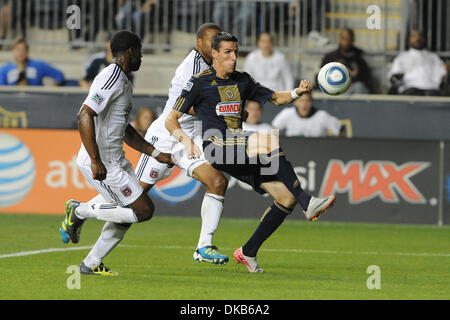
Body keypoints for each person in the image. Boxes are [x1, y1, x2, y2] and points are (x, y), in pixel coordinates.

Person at [166, 32, 336, 273]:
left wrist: (298, 92)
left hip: (237, 148)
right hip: (216, 147)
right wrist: (184, 139)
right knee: (267, 141)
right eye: (227, 52)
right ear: (214, 54)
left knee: (286, 198)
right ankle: (307, 202)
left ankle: (248, 251)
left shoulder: (243, 80)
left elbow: (276, 98)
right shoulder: (199, 82)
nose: (234, 57)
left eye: (236, 52)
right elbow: (171, 119)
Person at [85, 23, 230, 268]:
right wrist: (226, 110)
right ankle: (81, 214)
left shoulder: (217, 65)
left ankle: (204, 246)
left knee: (218, 181)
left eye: (220, 39)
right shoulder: (193, 67)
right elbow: (188, 106)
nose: (217, 44)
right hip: (166, 136)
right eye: (212, 40)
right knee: (133, 206)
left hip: (189, 139)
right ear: (199, 44)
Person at [60, 31, 173, 276]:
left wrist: (155, 153)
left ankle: (90, 264)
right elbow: (84, 114)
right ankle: (78, 210)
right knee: (143, 210)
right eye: (140, 51)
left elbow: (124, 130)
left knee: (125, 214)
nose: (142, 57)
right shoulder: (111, 77)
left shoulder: (123, 81)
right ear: (130, 51)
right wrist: (94, 159)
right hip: (104, 164)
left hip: (116, 161)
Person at [388, 30, 447, 96]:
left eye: (420, 36)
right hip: (409, 88)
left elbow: (443, 74)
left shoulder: (433, 57)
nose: (417, 39)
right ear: (409, 39)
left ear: (424, 39)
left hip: (431, 89)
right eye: (414, 36)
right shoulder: (402, 57)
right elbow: (394, 76)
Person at [320, 28, 373, 94]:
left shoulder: (359, 59)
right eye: (343, 38)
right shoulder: (330, 58)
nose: (345, 42)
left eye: (348, 39)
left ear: (352, 40)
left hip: (352, 90)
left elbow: (366, 80)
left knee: (359, 86)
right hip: (335, 89)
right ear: (339, 39)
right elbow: (321, 76)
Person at [272, 92, 345, 137]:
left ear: (311, 102)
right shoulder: (287, 114)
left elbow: (340, 129)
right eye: (301, 101)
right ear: (295, 102)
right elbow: (274, 128)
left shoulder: (321, 116)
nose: (304, 104)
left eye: (307, 101)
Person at [0, 37, 65, 86]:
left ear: (27, 51)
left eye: (23, 49)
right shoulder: (4, 69)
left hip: (35, 100)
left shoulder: (38, 65)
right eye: (18, 49)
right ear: (13, 51)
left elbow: (59, 75)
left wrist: (52, 88)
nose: (21, 52)